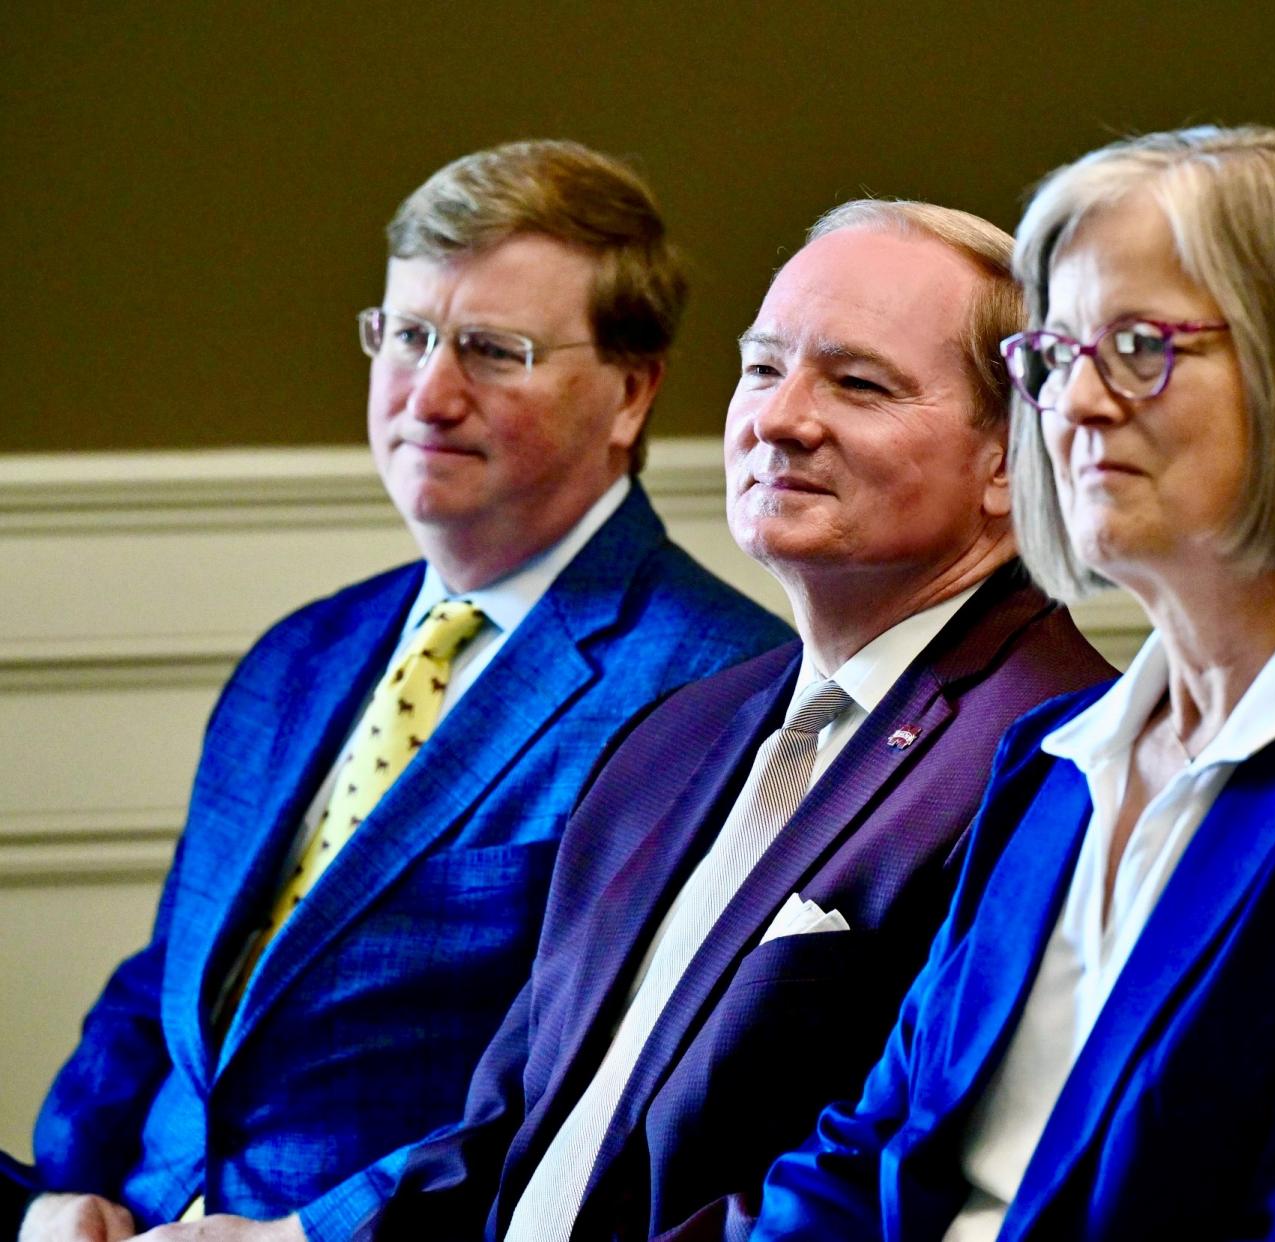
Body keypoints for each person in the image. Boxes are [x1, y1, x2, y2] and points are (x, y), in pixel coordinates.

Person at [750, 126, 1275, 1240]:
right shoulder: (1053, 759)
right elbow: (860, 1160)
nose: (1078, 404)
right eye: (1053, 359)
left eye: (1140, 345)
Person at [12, 139, 792, 1242]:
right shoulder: (302, 654)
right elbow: (166, 984)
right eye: (410, 336)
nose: (430, 393)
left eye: (491, 350)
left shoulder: (717, 691)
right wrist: (62, 1193)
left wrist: (304, 1240)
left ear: (631, 392)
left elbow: (595, 1099)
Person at [360, 200, 1116, 1241]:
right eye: (763, 370)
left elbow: (905, 1192)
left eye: (856, 383)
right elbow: (505, 1131)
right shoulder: (676, 735)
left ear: (1008, 461)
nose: (778, 418)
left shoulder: (1059, 756)